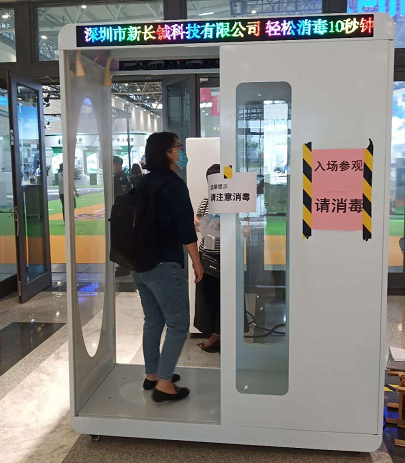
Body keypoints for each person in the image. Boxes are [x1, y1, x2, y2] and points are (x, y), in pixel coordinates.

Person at [133, 131, 203, 403]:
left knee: (153, 321)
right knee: (178, 324)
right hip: (164, 264)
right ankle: (164, 384)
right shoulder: (174, 184)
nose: (181, 151)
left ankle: (152, 374)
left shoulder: (144, 181)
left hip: (140, 263)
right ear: (167, 153)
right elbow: (186, 229)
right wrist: (196, 262)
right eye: (178, 147)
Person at [194, 164, 221, 353]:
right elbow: (196, 223)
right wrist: (198, 223)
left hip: (227, 257)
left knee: (224, 298)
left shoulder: (233, 202)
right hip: (207, 255)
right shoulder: (205, 202)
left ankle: (221, 336)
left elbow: (244, 229)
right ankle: (214, 335)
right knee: (208, 299)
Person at [113, 156, 132, 277]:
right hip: (118, 211)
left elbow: (123, 195)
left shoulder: (122, 178)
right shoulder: (116, 177)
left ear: (117, 165)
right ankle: (122, 265)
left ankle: (124, 267)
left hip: (122, 212)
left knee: (123, 240)